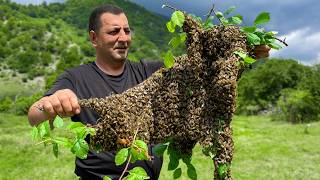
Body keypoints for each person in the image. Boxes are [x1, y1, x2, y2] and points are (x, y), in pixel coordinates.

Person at [28, 4, 270, 180]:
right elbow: (34, 114)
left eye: (127, 30)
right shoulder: (76, 77)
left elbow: (199, 69)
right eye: (114, 32)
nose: (123, 38)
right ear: (94, 38)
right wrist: (52, 103)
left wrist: (242, 54)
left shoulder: (149, 70)